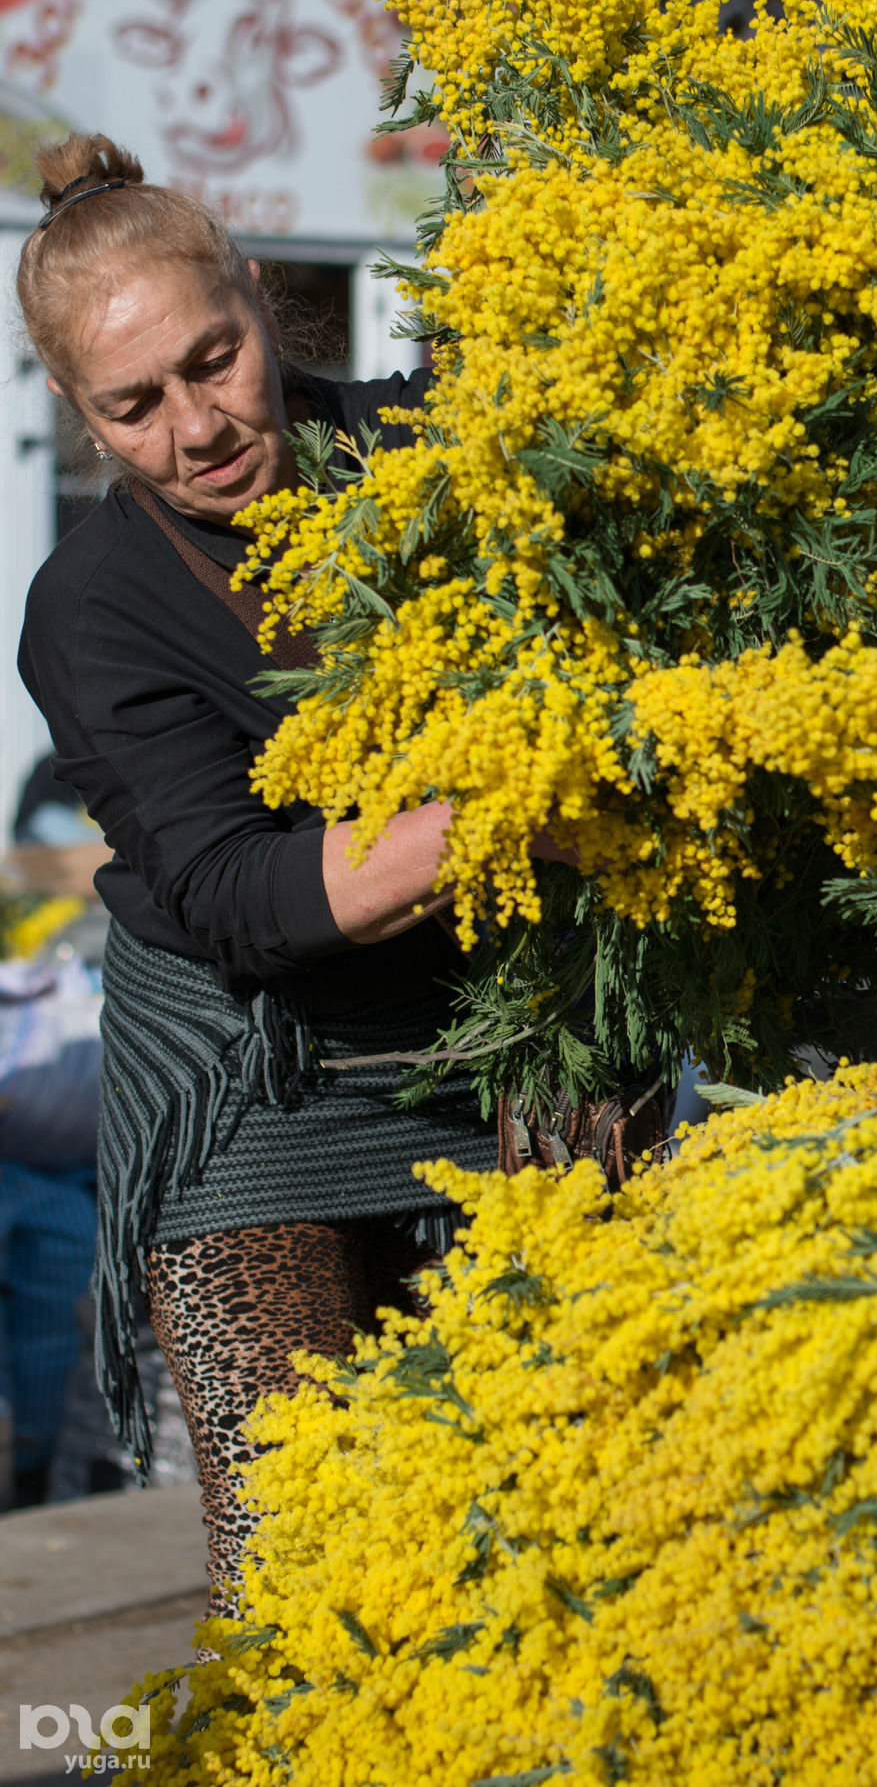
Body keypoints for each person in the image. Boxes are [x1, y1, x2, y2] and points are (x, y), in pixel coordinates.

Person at [14, 132, 541, 1606]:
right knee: (310, 1552)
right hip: (247, 1083)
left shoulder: (436, 454)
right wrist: (516, 801)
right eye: (135, 405)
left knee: (548, 1507)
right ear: (80, 414)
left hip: (495, 1039)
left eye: (215, 359)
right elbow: (242, 899)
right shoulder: (92, 610)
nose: (198, 426)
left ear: (257, 294)